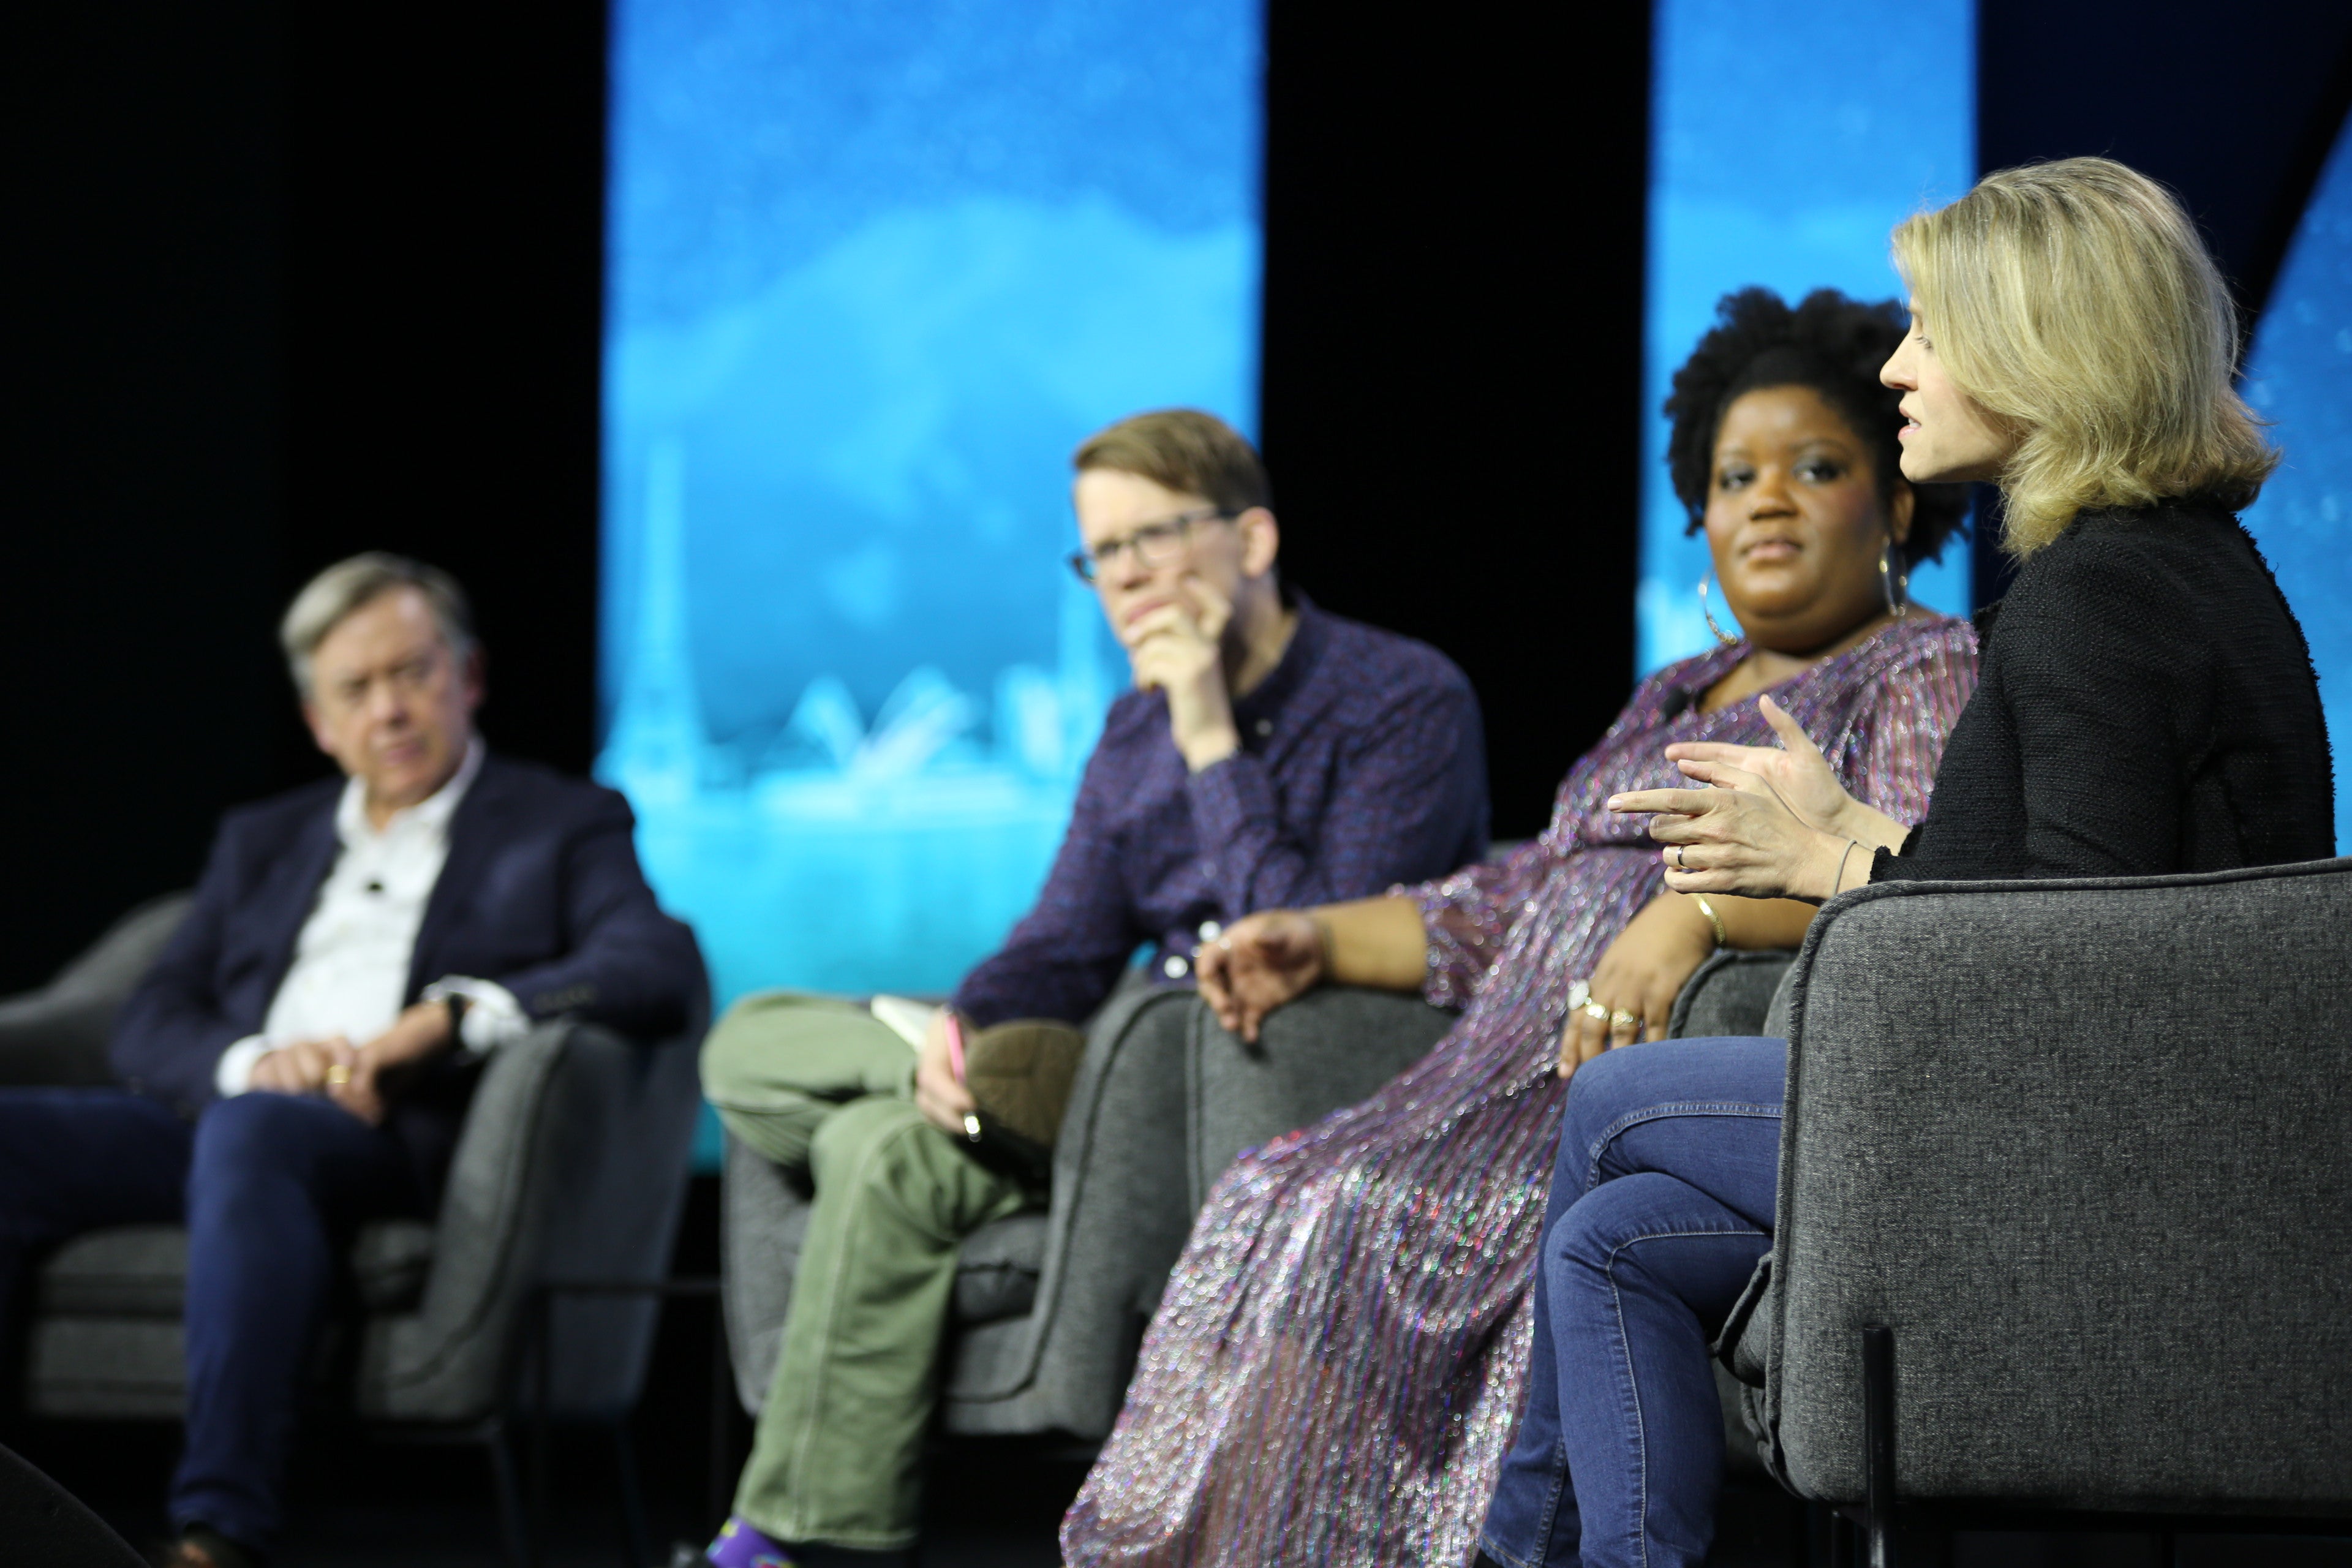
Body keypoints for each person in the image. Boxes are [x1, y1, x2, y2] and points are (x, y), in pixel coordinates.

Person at [1481, 157, 2334, 1568]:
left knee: (1619, 1102)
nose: (1896, 365)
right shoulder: (2169, 569)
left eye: (1931, 330)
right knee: (1617, 1235)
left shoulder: (2094, 600)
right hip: (2116, 1111)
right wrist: (1843, 838)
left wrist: (1832, 877)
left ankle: (1518, 1553)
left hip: (2096, 1145)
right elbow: (2082, 883)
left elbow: (2061, 954)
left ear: (2038, 345)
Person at [1060, 290, 1981, 1567]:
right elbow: (1516, 898)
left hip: (1604, 1091)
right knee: (1277, 1187)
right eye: (1734, 476)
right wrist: (1316, 939)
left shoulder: (1920, 665)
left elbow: (1909, 874)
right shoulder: (1671, 691)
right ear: (1700, 515)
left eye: (1815, 468)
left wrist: (1688, 916)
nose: (1766, 499)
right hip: (1481, 1065)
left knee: (1367, 1207)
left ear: (1894, 505)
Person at [697, 408, 1489, 1567]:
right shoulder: (1129, 736)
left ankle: (777, 1543)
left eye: (1150, 540)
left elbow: (1313, 951)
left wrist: (1211, 736)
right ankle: (956, 1083)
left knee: (881, 1152)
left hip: (1251, 1100)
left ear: (1253, 543)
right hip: (1103, 1091)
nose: (1123, 579)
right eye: (1101, 554)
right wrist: (963, 1024)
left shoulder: (1401, 699)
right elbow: (1061, 944)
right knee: (761, 1043)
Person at [0, 554, 707, 1568]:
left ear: (469, 677)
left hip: (400, 1136)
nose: (390, 710)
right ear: (320, 722)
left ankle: (220, 1534)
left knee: (255, 1137)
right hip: (236, 1109)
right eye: (357, 690)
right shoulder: (264, 839)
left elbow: (653, 960)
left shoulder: (564, 823)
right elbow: (153, 1010)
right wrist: (254, 1061)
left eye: (413, 674)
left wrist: (450, 1021)